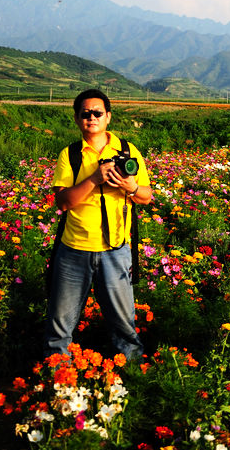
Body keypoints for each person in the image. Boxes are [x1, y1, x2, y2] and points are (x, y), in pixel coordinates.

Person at [43, 89, 152, 360]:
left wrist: (130, 186)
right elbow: (63, 202)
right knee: (60, 323)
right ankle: (57, 377)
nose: (91, 117)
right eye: (85, 113)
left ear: (108, 117)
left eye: (97, 113)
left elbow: (146, 197)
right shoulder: (70, 155)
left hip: (116, 248)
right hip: (74, 249)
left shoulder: (128, 151)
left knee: (124, 323)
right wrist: (93, 179)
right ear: (78, 119)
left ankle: (132, 374)